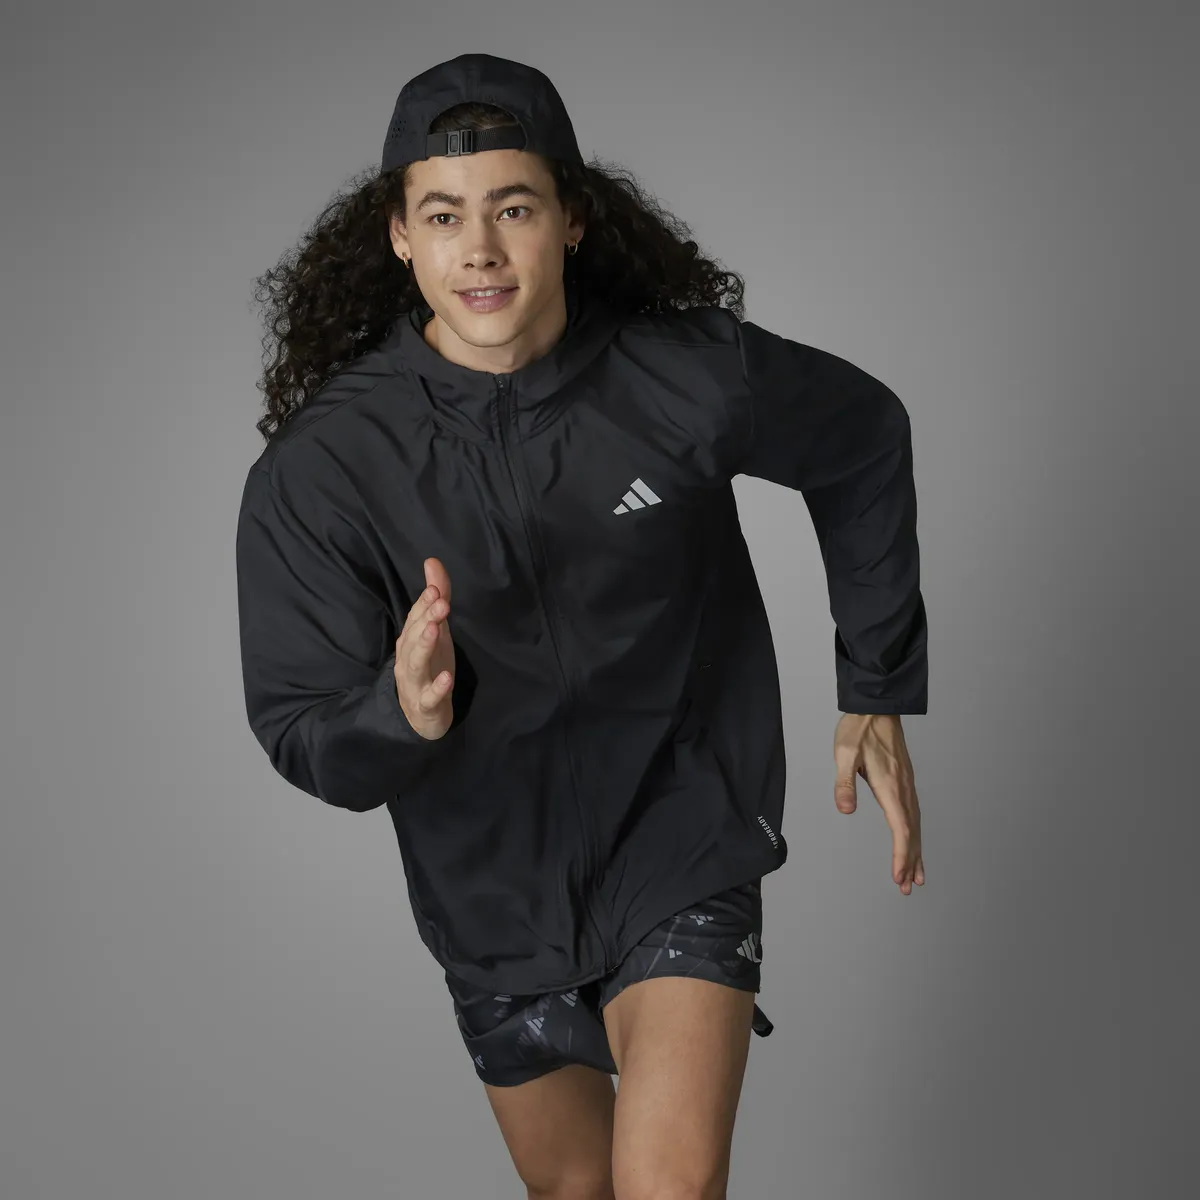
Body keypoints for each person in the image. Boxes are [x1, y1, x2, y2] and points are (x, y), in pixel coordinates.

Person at [236, 51, 927, 1200]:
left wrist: (877, 682)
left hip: (680, 831)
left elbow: (861, 437)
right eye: (444, 215)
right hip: (490, 892)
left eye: (513, 208)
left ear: (572, 218)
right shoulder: (325, 470)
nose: (480, 249)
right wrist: (398, 715)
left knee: (668, 1188)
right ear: (399, 235)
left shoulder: (682, 379)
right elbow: (304, 728)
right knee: (577, 1191)